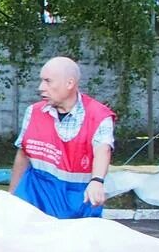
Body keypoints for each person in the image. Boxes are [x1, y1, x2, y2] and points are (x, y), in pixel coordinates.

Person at [9, 56, 115, 219]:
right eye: (41, 81)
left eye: (48, 81)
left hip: (77, 201)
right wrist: (12, 195)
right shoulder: (34, 112)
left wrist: (97, 181)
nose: (41, 88)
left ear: (70, 83)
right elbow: (23, 154)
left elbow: (103, 150)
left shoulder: (99, 116)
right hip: (36, 197)